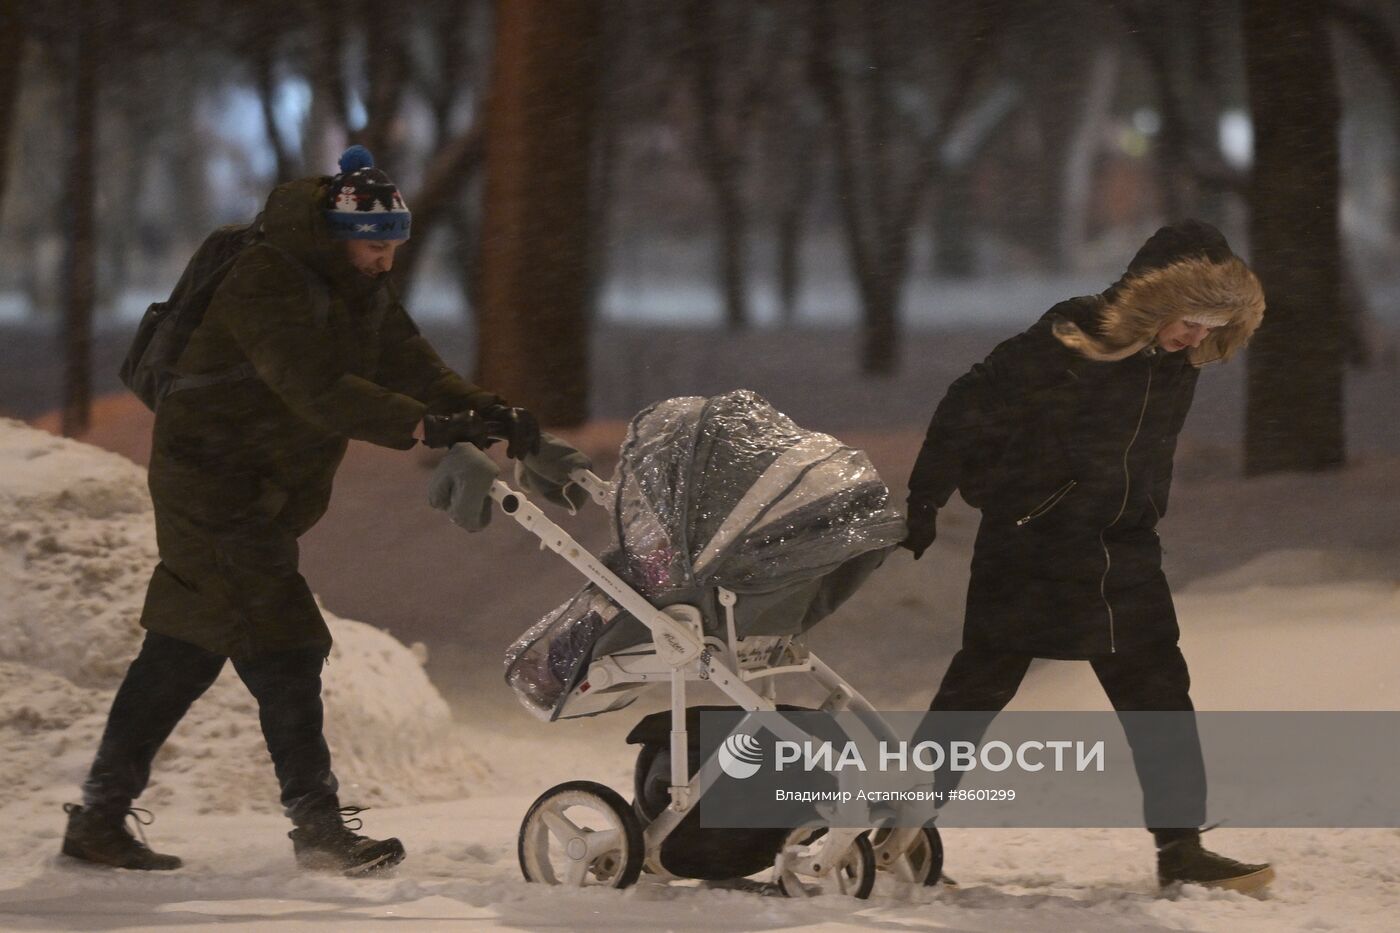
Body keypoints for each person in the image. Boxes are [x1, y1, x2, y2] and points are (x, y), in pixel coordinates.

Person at [61, 146, 540, 876]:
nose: (386, 263)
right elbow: (312, 385)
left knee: (183, 651)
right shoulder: (266, 278)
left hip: (259, 488)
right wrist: (424, 427)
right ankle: (316, 823)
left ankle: (98, 816)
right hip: (213, 483)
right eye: (376, 248)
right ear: (340, 236)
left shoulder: (355, 285)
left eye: (394, 249)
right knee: (287, 647)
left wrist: (486, 410)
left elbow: (410, 362)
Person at [903, 220, 1274, 892]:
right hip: (1033, 545)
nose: (1197, 338)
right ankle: (896, 834)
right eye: (1189, 320)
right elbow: (969, 400)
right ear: (1156, 301)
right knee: (976, 691)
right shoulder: (1073, 335)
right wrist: (923, 500)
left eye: (1211, 325)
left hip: (1123, 548)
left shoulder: (1178, 360)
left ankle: (1182, 849)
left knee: (1161, 693)